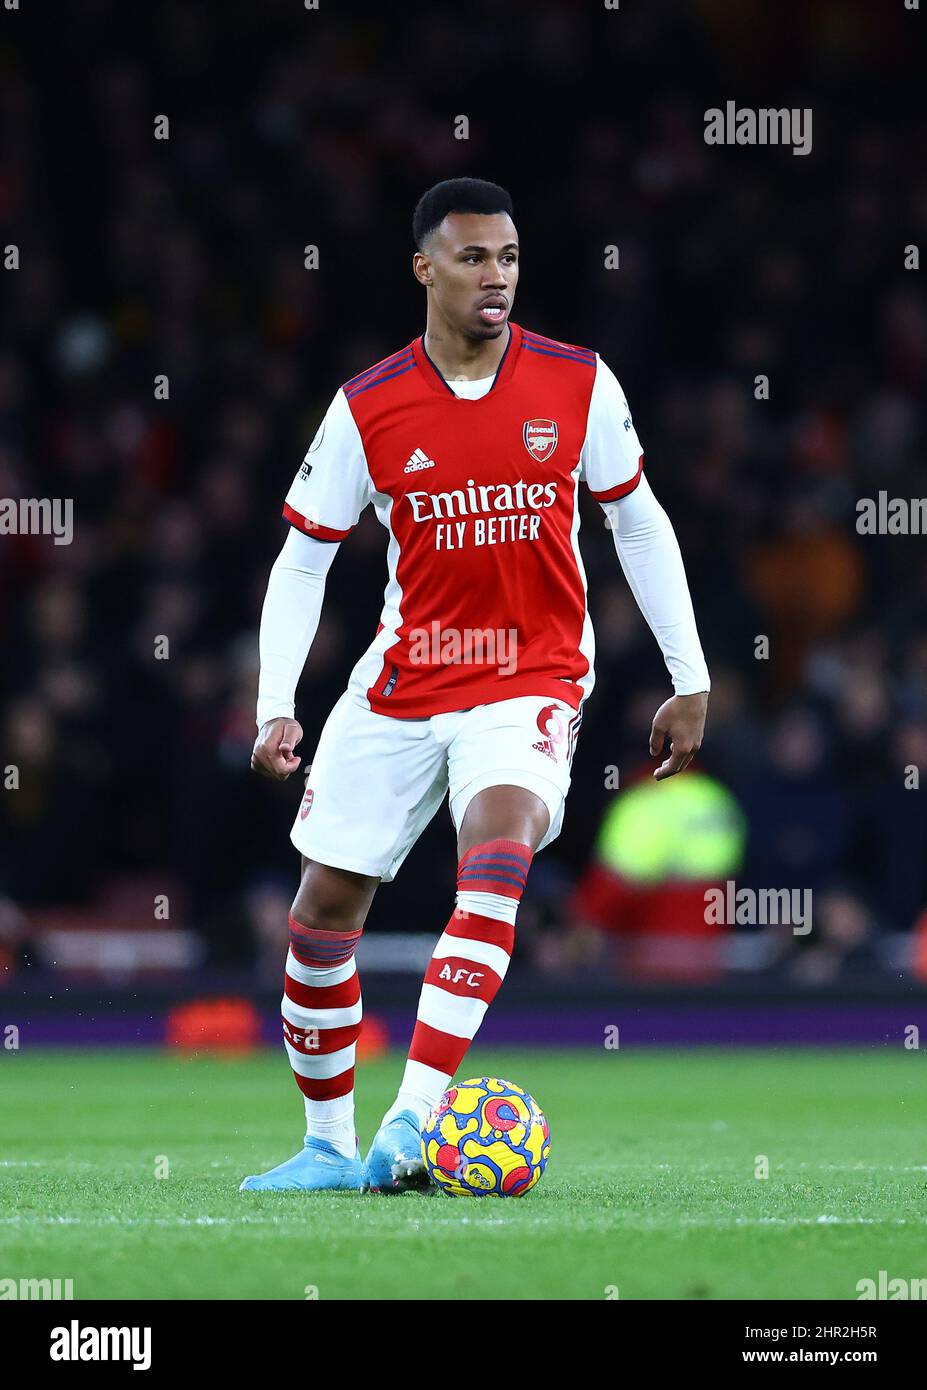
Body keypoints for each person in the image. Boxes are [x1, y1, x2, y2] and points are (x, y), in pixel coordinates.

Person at [239, 177, 710, 1193]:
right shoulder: (367, 404)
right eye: (472, 258)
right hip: (405, 678)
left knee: (495, 850)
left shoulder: (578, 382)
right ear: (425, 268)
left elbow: (636, 518)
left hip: (531, 674)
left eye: (507, 258)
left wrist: (691, 675)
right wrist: (277, 699)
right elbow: (302, 559)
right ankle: (326, 1145)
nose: (495, 276)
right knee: (323, 912)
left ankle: (412, 1120)